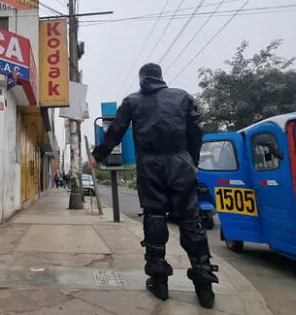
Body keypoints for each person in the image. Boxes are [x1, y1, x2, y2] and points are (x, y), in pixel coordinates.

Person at [90, 63, 218, 308]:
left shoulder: (133, 101)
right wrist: (192, 159)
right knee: (191, 220)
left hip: (150, 165)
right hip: (181, 161)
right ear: (161, 77)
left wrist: (98, 155)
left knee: (155, 217)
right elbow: (196, 130)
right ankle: (205, 286)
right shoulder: (182, 97)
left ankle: (159, 282)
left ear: (142, 79)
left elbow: (115, 131)